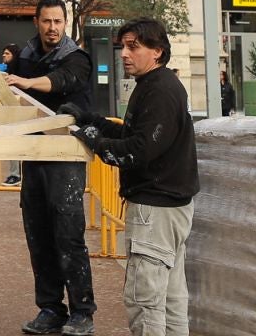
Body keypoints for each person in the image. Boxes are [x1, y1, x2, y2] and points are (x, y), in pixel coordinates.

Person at [76, 18, 198, 336]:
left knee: (144, 301)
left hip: (154, 211)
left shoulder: (159, 91)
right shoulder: (155, 85)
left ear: (157, 51)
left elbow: (139, 150)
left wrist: (95, 142)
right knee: (170, 300)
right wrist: (95, 122)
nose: (125, 54)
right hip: (170, 207)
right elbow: (136, 134)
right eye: (123, 47)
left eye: (134, 47)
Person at [6, 0, 97, 336]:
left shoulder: (77, 58)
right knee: (39, 233)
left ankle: (82, 311)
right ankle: (50, 309)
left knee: (68, 234)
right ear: (36, 22)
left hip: (65, 156)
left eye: (58, 21)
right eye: (46, 21)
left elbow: (62, 81)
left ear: (65, 22)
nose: (52, 28)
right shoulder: (25, 58)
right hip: (34, 155)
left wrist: (26, 83)